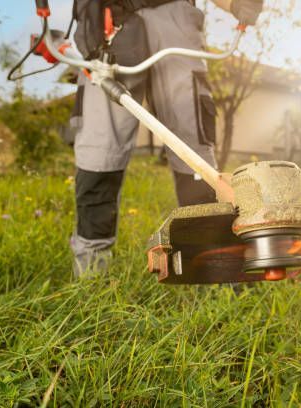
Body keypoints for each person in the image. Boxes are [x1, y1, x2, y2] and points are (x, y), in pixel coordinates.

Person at [69, 0, 263, 277]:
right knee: (99, 152)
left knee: (193, 152)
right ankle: (90, 270)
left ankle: (210, 268)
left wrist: (236, 3)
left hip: (173, 18)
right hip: (106, 22)